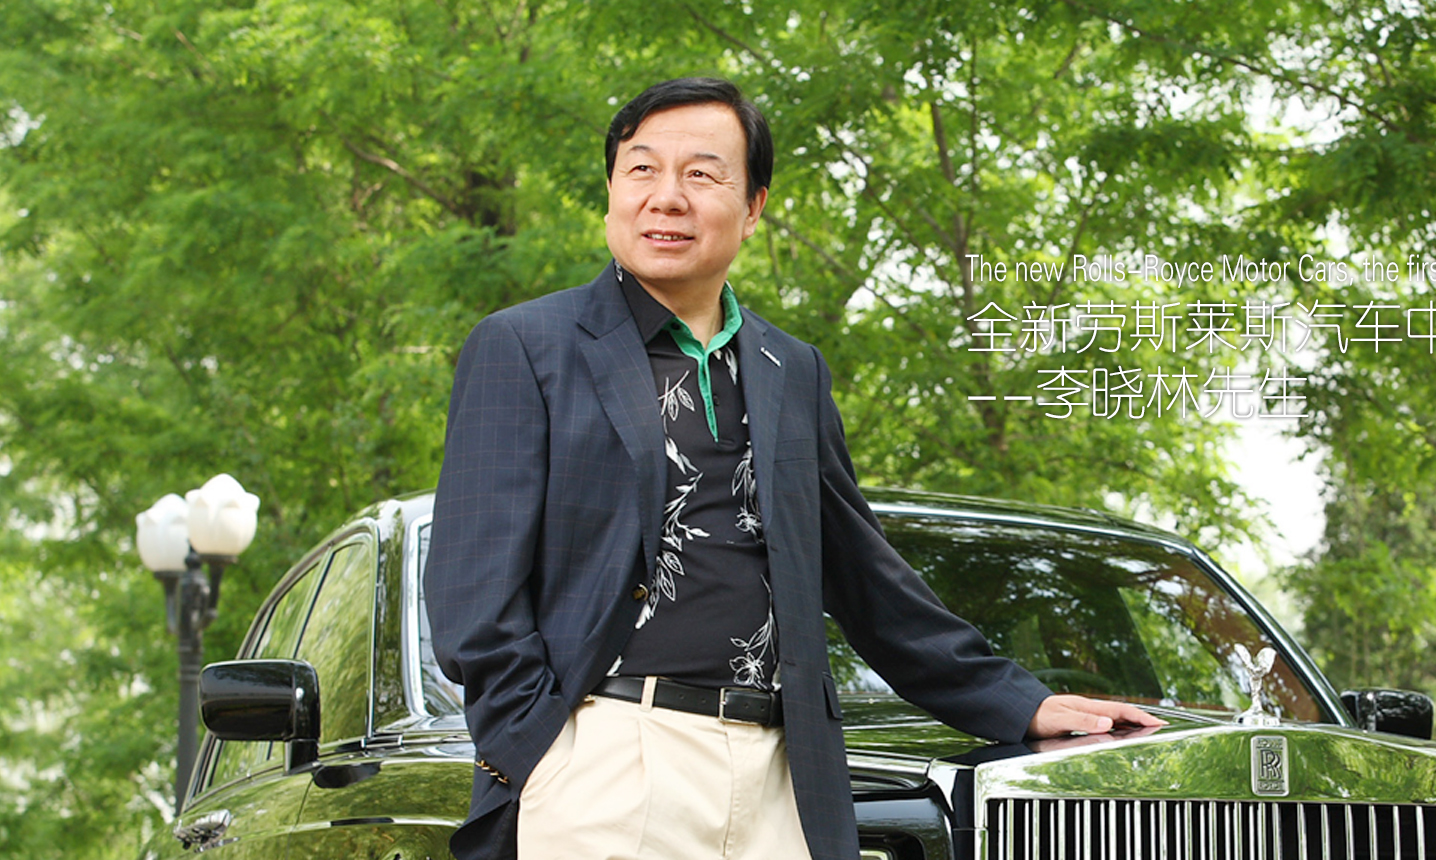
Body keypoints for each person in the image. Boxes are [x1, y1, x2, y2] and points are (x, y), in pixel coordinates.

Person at [424, 76, 1162, 860]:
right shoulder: (526, 347)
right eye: (641, 169)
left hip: (783, 775)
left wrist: (1020, 702)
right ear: (611, 191)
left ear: (753, 208)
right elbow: (476, 593)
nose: (666, 197)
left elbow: (863, 574)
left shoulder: (791, 368)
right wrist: (540, 750)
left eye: (701, 174)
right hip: (604, 763)